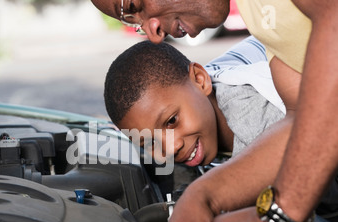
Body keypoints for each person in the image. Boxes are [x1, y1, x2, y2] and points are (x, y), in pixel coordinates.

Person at [91, 0, 338, 222]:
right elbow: (300, 115)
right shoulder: (256, 14)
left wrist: (278, 216)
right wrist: (204, 194)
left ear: (201, 79)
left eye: (135, 3)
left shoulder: (252, 116)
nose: (153, 33)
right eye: (132, 20)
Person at [104, 37, 284, 169]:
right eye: (150, 143)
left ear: (200, 80)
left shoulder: (258, 116)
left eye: (172, 121)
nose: (171, 148)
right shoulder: (192, 89)